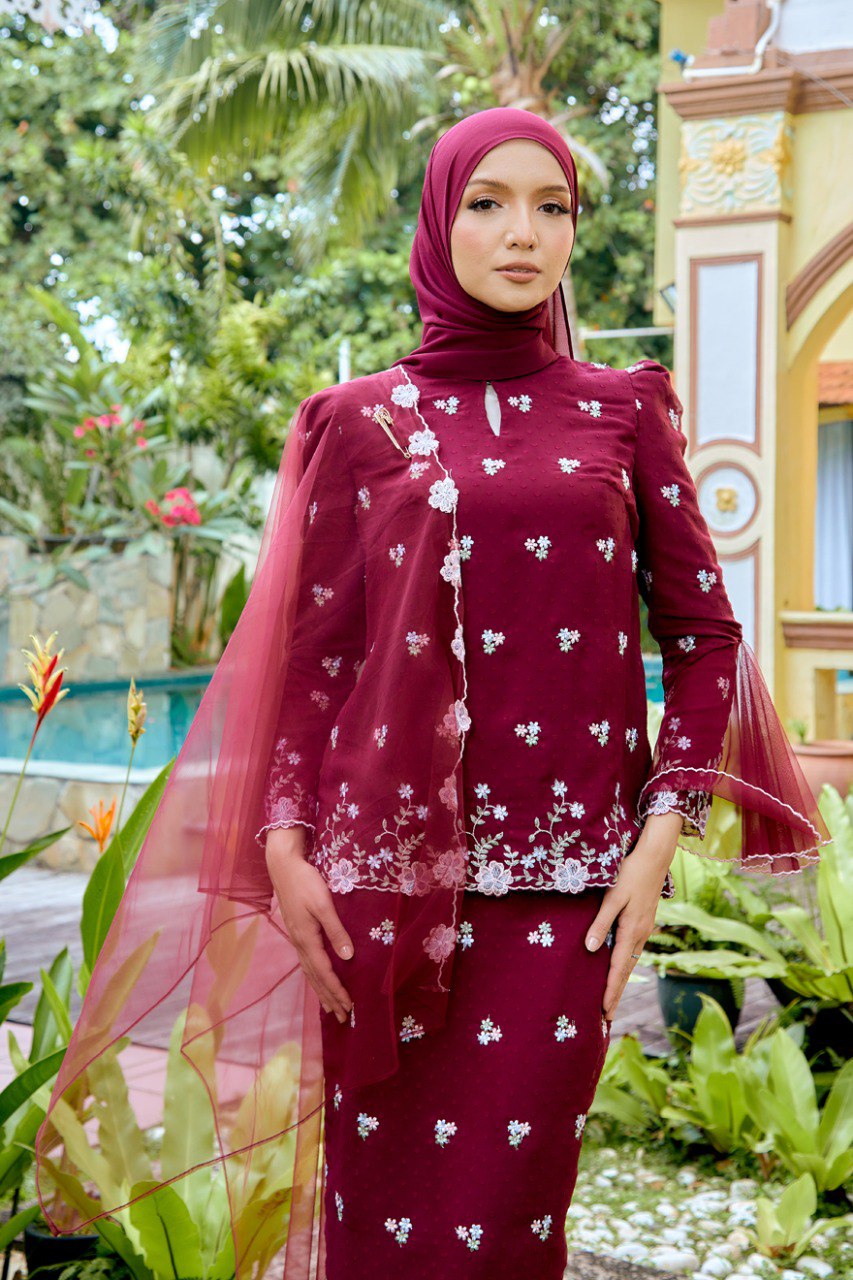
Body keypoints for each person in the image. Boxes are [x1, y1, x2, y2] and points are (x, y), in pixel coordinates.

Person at [35, 108, 829, 1280]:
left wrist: (658, 838)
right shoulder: (353, 422)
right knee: (383, 1219)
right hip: (380, 887)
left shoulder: (624, 411)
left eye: (551, 207)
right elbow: (316, 660)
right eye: (488, 204)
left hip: (568, 889)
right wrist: (284, 843)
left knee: (516, 1216)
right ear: (438, 220)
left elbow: (707, 639)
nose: (524, 234)